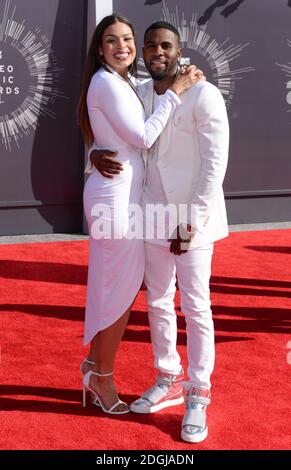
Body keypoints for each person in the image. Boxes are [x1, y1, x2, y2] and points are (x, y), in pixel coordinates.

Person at [89, 21, 229, 442]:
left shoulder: (204, 93)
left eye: (164, 45)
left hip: (191, 218)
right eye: (149, 45)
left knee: (196, 306)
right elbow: (119, 136)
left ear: (179, 49)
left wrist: (193, 221)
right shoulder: (142, 91)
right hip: (150, 213)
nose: (155, 52)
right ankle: (167, 376)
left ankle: (198, 394)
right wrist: (95, 153)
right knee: (158, 302)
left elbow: (214, 164)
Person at [77, 14, 201, 415]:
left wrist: (93, 155)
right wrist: (176, 93)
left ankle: (95, 366)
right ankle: (102, 378)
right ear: (100, 49)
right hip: (114, 202)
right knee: (119, 291)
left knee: (115, 287)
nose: (122, 46)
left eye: (128, 39)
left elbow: (112, 137)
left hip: (123, 197)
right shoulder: (106, 81)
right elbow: (144, 137)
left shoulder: (125, 83)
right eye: (111, 40)